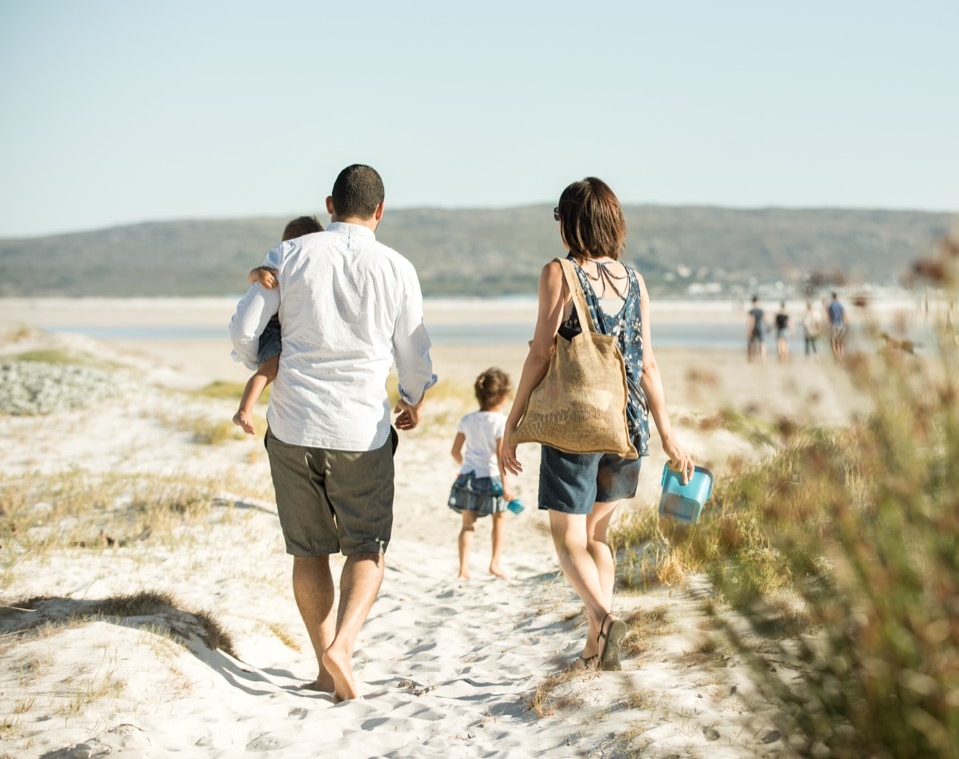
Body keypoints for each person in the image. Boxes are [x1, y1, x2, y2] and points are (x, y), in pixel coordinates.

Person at [229, 164, 436, 703]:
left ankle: (324, 665)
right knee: (367, 547)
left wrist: (266, 362)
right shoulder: (397, 267)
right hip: (360, 431)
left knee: (309, 551)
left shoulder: (290, 254)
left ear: (329, 204)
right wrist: (413, 397)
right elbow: (413, 351)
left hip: (293, 425)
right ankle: (343, 646)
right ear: (380, 211)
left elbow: (246, 326)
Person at [499, 177, 693, 672]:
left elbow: (542, 352)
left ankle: (604, 621)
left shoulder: (559, 273)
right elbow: (647, 362)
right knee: (598, 538)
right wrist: (668, 434)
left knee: (568, 541)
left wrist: (514, 420)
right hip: (629, 428)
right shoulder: (635, 279)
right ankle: (594, 647)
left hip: (577, 427)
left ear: (568, 222)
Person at [232, 215, 325, 435]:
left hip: (280, 327)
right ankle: (244, 410)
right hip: (271, 328)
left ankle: (244, 409)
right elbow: (252, 278)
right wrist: (258, 273)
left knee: (270, 370)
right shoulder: (282, 263)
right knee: (269, 369)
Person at [449, 367, 516, 580]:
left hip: (468, 477)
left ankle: (463, 570)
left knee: (468, 525)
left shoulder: (467, 420)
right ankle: (495, 563)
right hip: (492, 477)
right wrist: (506, 485)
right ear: (504, 396)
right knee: (499, 519)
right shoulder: (500, 422)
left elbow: (455, 451)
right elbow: (499, 454)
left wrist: (466, 465)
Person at [828, 292, 847, 363]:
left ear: (832, 297)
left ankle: (836, 356)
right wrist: (845, 324)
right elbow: (844, 316)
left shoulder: (830, 306)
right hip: (841, 325)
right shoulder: (841, 305)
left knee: (833, 342)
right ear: (837, 297)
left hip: (834, 324)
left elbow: (829, 317)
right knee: (840, 342)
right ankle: (841, 355)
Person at [747, 295, 767, 363]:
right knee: (762, 343)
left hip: (754, 328)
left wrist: (749, 330)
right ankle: (762, 358)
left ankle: (751, 358)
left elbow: (751, 321)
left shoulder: (752, 311)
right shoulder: (761, 310)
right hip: (760, 327)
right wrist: (767, 326)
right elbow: (764, 320)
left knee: (752, 343)